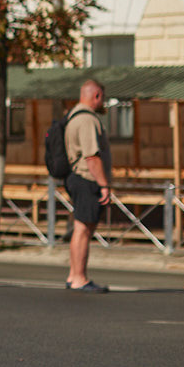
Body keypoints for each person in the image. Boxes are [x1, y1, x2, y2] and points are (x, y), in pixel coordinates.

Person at [64, 80, 112, 293]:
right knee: (83, 229)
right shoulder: (86, 120)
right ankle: (78, 278)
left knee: (82, 228)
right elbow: (92, 156)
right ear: (97, 96)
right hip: (87, 180)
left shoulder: (75, 115)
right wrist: (104, 185)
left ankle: (74, 276)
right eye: (103, 98)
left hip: (80, 178)